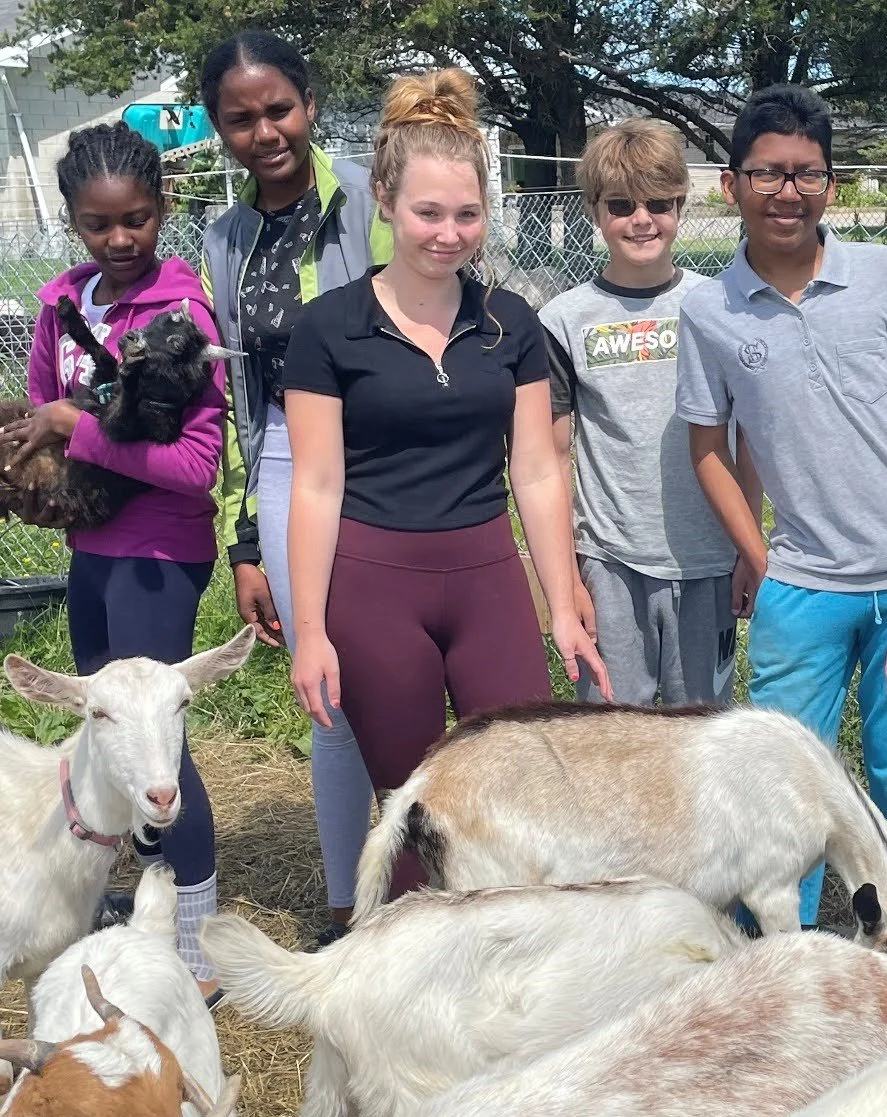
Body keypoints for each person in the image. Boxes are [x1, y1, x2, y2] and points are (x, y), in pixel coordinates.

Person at [283, 67, 609, 900]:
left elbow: (536, 469)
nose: (448, 233)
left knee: (516, 785)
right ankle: (409, 990)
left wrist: (563, 598)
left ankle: (512, 983)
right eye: (429, 212)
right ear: (385, 201)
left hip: (485, 577)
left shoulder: (510, 322)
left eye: (468, 214)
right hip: (373, 586)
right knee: (412, 809)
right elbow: (316, 485)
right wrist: (312, 629)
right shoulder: (329, 328)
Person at [675, 84, 887, 924]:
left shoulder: (884, 275)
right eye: (768, 174)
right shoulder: (708, 309)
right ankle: (780, 969)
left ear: (831, 186)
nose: (787, 192)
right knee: (782, 794)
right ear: (730, 185)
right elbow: (711, 446)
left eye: (807, 174)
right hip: (802, 585)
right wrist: (759, 556)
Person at [0, 122, 230, 1002]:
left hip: (160, 547)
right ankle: (135, 910)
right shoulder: (62, 304)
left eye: (136, 219)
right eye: (99, 225)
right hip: (90, 544)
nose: (120, 239)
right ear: (72, 222)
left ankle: (197, 944)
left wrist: (75, 427)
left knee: (157, 741)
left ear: (163, 209)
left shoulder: (181, 319)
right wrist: (35, 459)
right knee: (110, 736)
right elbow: (48, 417)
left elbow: (192, 465)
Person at [199, 30, 390, 947]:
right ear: (217, 127)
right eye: (240, 118)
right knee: (332, 689)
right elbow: (237, 395)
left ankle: (435, 891)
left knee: (409, 673)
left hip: (391, 457)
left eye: (278, 109)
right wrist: (244, 540)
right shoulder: (224, 235)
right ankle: (350, 906)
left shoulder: (371, 197)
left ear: (309, 103)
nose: (264, 131)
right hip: (282, 461)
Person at [539, 118, 758, 706]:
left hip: (707, 558)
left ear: (681, 205)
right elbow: (553, 459)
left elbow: (748, 439)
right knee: (610, 738)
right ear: (595, 210)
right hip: (609, 565)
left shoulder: (719, 305)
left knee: (701, 741)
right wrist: (567, 583)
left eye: (659, 203)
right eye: (621, 205)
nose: (641, 220)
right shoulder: (563, 320)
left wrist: (748, 546)